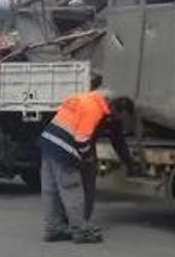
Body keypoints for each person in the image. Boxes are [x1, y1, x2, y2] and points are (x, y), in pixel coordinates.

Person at [37, 89, 138, 244]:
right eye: (121, 117)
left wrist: (129, 162)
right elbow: (82, 139)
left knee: (51, 190)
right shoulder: (94, 109)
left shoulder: (89, 100)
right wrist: (88, 159)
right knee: (72, 188)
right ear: (114, 108)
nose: (121, 122)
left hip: (48, 142)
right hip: (65, 148)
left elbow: (117, 140)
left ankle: (53, 228)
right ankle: (80, 230)